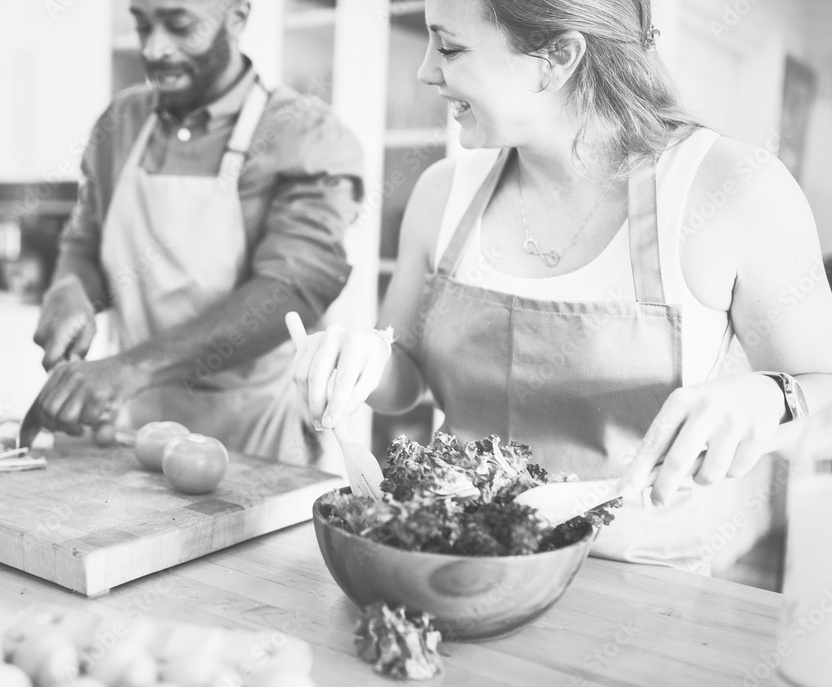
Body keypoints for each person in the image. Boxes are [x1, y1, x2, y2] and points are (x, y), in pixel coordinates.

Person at [292, 0, 832, 573]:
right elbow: (404, 382)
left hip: (639, 583)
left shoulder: (732, 189)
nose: (426, 70)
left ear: (557, 56)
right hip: (462, 564)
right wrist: (363, 357)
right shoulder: (441, 192)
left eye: (449, 47)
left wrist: (774, 395)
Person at [32, 0, 363, 465]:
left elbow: (292, 287)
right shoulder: (120, 123)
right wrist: (71, 287)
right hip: (134, 430)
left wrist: (132, 368)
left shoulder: (305, 134)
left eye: (179, 25)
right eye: (142, 25)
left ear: (238, 16)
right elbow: (85, 240)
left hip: (259, 437)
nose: (154, 48)